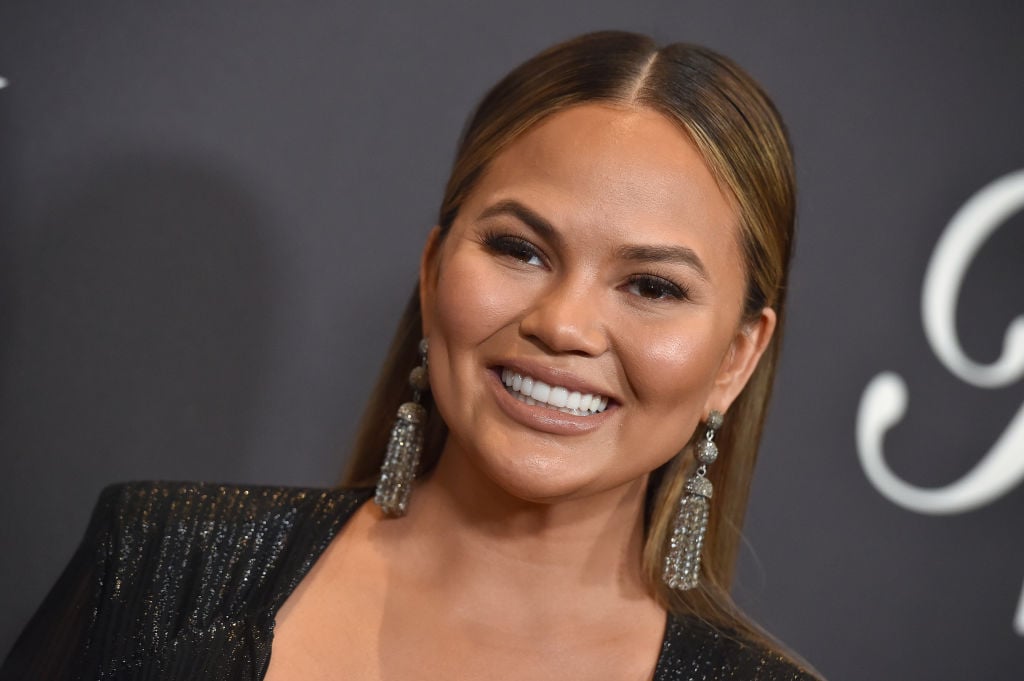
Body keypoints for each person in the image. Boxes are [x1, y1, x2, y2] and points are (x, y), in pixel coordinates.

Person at [1, 31, 821, 680]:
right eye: (520, 250)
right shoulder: (159, 564)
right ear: (433, 273)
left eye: (651, 286)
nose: (565, 324)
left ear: (735, 359)